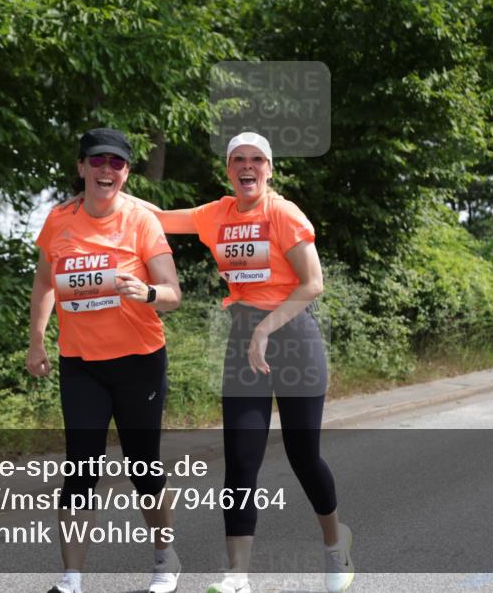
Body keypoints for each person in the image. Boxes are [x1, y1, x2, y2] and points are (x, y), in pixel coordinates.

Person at [79, 131, 353, 593]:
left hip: (292, 338)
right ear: (228, 169)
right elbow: (162, 217)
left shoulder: (282, 213)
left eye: (257, 160)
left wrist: (267, 328)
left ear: (269, 168)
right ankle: (237, 575)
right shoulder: (217, 214)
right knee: (241, 461)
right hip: (244, 339)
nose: (248, 167)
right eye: (238, 160)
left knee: (303, 456)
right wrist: (108, 184)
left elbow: (313, 283)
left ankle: (334, 545)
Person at [26, 128, 183, 593]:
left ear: (127, 173)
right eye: (97, 161)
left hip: (139, 361)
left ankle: (164, 558)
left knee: (143, 465)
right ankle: (72, 578)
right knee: (80, 467)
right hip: (81, 365)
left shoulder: (141, 221)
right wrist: (37, 341)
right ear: (81, 167)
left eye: (116, 164)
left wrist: (148, 292)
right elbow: (43, 284)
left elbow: (173, 295)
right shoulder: (59, 220)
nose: (106, 170)